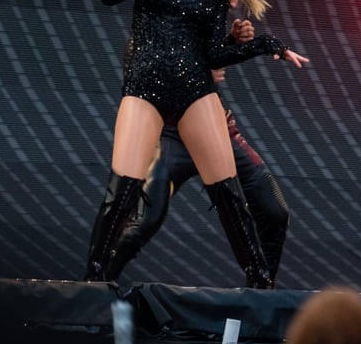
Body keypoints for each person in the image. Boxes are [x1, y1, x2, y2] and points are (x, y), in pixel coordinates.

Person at [84, 0, 307, 289]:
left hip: (194, 92)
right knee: (124, 192)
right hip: (145, 88)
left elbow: (212, 54)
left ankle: (260, 286)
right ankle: (90, 285)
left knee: (228, 195)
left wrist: (264, 45)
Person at [106, 62, 290, 286]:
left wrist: (233, 42)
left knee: (274, 210)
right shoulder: (153, 33)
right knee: (143, 221)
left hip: (216, 132)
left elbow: (216, 51)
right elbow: (142, 67)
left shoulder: (205, 30)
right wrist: (197, 72)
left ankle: (262, 292)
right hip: (172, 137)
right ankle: (100, 285)